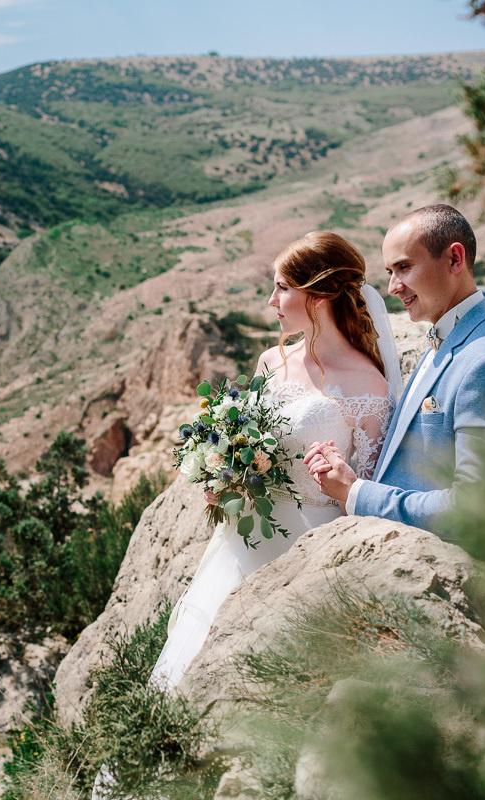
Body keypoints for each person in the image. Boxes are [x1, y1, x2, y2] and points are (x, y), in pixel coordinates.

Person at [93, 231, 399, 799]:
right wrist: (224, 477)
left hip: (305, 550)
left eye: (280, 288)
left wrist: (335, 483)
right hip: (239, 542)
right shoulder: (270, 360)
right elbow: (247, 440)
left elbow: (360, 492)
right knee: (191, 662)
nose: (269, 301)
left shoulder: (369, 389)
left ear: (320, 294)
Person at [305, 205, 485, 534]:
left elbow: (476, 507)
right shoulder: (449, 337)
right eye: (389, 271)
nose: (392, 287)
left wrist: (356, 493)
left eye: (403, 267)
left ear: (454, 260)